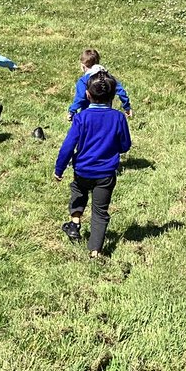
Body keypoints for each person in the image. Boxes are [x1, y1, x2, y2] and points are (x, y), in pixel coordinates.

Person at [55, 70, 131, 258]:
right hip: (106, 174)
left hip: (82, 170)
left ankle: (75, 222)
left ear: (87, 95)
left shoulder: (81, 118)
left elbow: (67, 146)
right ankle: (95, 251)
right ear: (113, 96)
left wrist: (59, 169)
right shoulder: (118, 118)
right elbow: (125, 145)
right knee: (100, 211)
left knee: (78, 193)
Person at [69, 49, 132, 119]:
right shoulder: (107, 78)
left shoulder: (83, 80)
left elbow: (80, 98)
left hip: (87, 116)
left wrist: (72, 111)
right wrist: (127, 107)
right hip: (106, 114)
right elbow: (121, 91)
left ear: (83, 66)